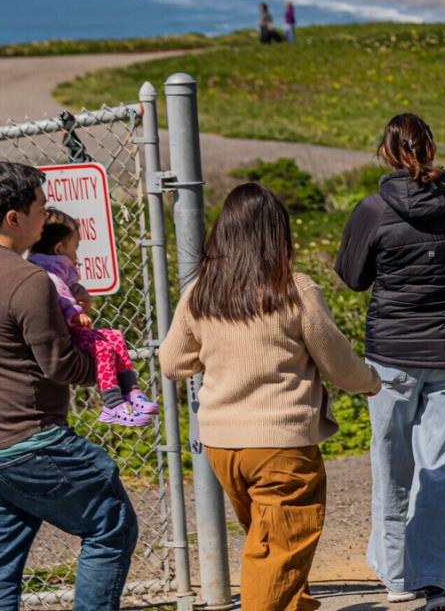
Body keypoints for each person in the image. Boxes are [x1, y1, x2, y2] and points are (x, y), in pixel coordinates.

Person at [160, 183, 378, 611]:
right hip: (281, 446)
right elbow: (336, 361)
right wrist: (369, 381)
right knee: (278, 551)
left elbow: (172, 362)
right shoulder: (294, 289)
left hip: (224, 448)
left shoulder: (201, 291)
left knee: (272, 544)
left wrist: (218, 352)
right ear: (276, 234)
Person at [335, 114, 445, 611]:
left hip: (391, 357)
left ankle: (395, 576)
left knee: (390, 464)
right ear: (430, 149)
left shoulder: (372, 210)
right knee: (442, 469)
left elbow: (352, 277)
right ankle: (436, 583)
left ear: (386, 153)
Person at [0, 160, 138, 610]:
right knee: (111, 527)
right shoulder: (26, 280)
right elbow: (60, 365)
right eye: (40, 207)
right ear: (14, 218)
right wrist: (108, 366)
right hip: (34, 441)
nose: (46, 217)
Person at [29, 209, 157, 427]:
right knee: (102, 348)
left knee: (114, 337)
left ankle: (130, 390)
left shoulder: (57, 267)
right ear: (59, 249)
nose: (77, 256)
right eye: (75, 248)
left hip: (72, 328)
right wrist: (75, 313)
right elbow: (60, 292)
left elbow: (68, 289)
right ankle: (112, 403)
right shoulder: (47, 270)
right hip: (69, 331)